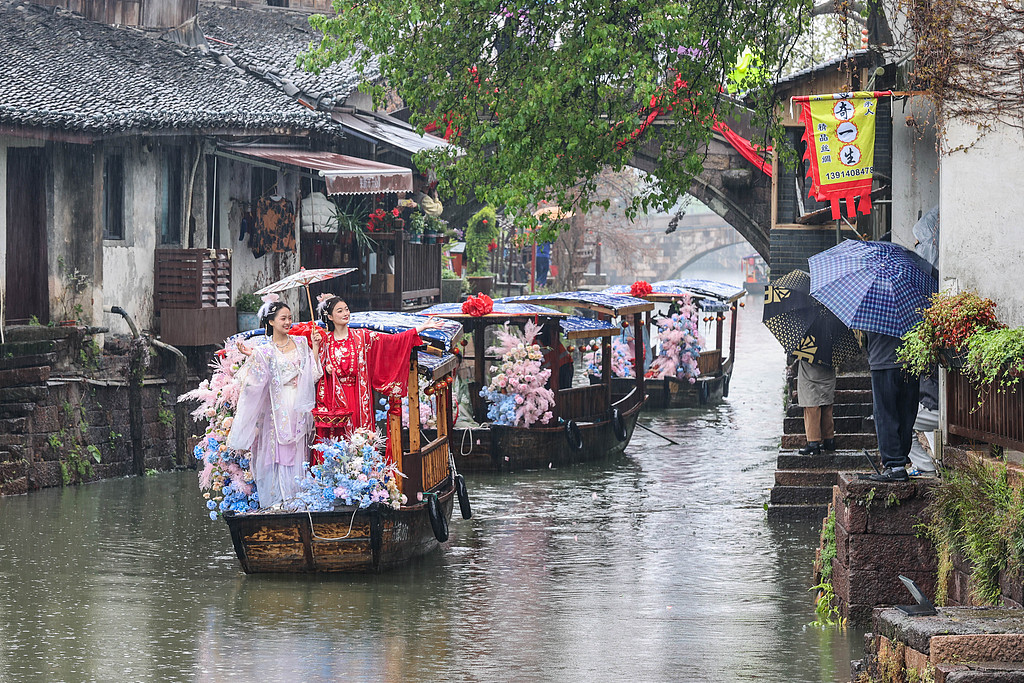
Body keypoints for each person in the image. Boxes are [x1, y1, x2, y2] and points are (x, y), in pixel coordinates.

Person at [311, 296, 447, 452]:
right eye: (339, 311)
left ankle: (361, 472)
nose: (345, 313)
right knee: (338, 442)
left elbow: (391, 341)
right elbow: (315, 373)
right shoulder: (325, 341)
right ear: (329, 317)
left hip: (358, 397)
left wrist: (420, 328)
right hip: (335, 400)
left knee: (360, 439)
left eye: (346, 309)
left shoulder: (362, 336)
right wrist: (319, 353)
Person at [228, 295, 322, 508]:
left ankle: (297, 498)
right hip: (276, 405)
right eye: (283, 318)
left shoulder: (301, 342)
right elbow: (253, 381)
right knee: (276, 452)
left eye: (290, 318)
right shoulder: (265, 350)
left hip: (298, 403)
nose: (288, 322)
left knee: (298, 450)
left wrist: (315, 347)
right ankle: (277, 500)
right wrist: (252, 358)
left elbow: (313, 373)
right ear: (270, 322)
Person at [865, 331, 920, 482]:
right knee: (906, 414)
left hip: (882, 359)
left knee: (885, 414)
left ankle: (895, 464)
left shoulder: (872, 308)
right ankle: (900, 461)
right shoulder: (911, 308)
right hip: (910, 361)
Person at [796, 359, 837, 455]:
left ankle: (813, 442)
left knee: (811, 407)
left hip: (810, 372)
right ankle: (829, 440)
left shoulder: (807, 345)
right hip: (828, 369)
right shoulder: (832, 346)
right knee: (827, 405)